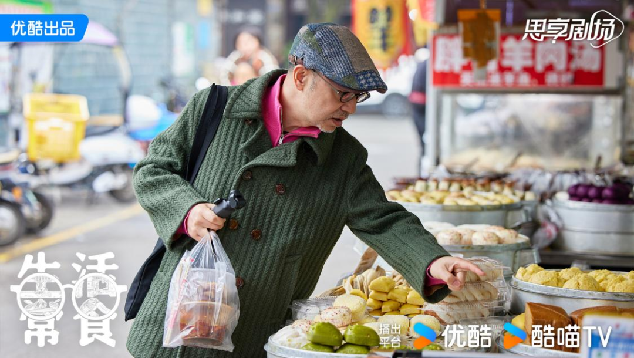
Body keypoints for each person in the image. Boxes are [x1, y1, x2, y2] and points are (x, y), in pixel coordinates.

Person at [127, 23, 484, 358]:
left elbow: (382, 219)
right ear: (300, 77)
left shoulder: (342, 156)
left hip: (255, 332)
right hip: (179, 322)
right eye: (342, 93)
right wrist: (187, 211)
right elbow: (154, 169)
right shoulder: (214, 108)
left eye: (357, 96)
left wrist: (432, 260)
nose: (351, 108)